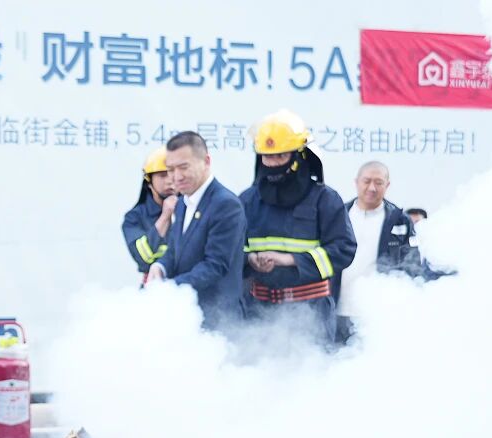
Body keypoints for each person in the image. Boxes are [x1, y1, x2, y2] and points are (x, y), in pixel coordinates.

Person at [239, 109, 356, 344]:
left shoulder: (325, 199)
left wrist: (290, 259)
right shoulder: (247, 200)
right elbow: (230, 250)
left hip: (311, 312)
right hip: (258, 311)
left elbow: (343, 249)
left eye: (280, 156)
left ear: (299, 156)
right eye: (267, 157)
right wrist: (249, 259)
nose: (272, 164)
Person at [147, 132, 247, 330]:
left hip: (219, 322)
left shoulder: (226, 204)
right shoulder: (182, 203)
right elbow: (175, 250)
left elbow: (215, 265)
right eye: (170, 169)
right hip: (187, 317)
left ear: (206, 161)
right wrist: (160, 267)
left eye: (184, 167)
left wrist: (168, 288)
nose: (176, 176)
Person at [334, 161, 422, 342]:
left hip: (377, 314)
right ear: (356, 182)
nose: (372, 188)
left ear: (387, 185)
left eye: (378, 182)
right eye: (366, 181)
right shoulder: (338, 215)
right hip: (337, 310)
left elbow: (413, 264)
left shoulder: (399, 220)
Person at [121, 146, 177, 282]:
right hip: (154, 287)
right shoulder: (134, 217)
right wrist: (165, 216)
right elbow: (144, 258)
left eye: (173, 174)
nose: (169, 181)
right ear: (149, 181)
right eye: (162, 175)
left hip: (189, 287)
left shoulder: (194, 210)